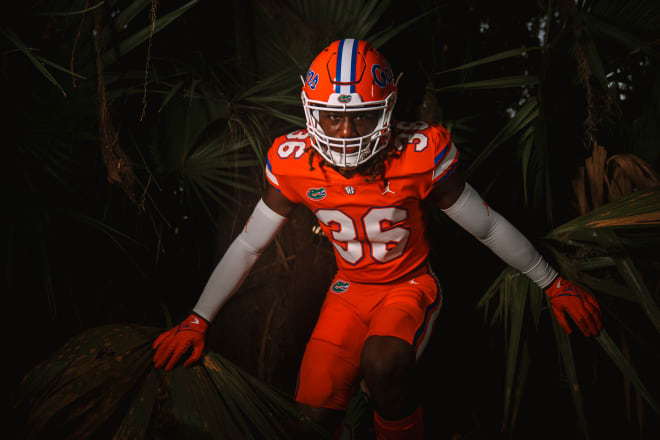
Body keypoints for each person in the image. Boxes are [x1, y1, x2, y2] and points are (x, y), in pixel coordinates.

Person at [152, 39, 602, 439]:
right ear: (311, 113)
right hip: (347, 292)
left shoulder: (420, 153)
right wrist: (198, 319)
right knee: (308, 423)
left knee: (382, 365)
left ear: (387, 111)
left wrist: (552, 282)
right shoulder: (290, 162)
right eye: (331, 118)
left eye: (362, 117)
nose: (346, 133)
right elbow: (251, 243)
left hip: (409, 286)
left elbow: (484, 225)